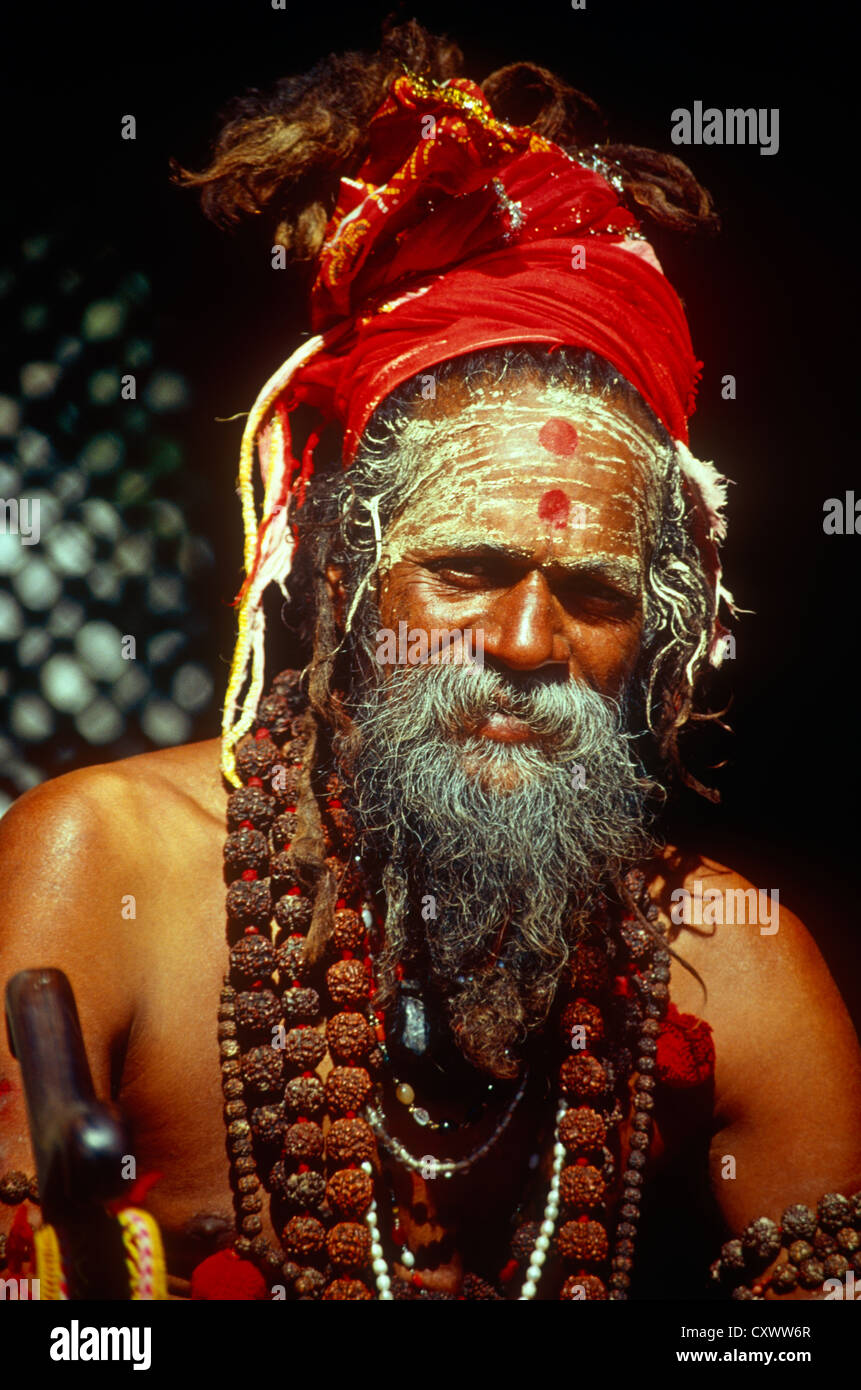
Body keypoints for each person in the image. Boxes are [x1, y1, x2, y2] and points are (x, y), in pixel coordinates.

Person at [1, 21, 860, 1301]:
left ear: (666, 636)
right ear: (342, 574)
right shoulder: (104, 865)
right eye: (463, 572)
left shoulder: (732, 965)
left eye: (590, 592)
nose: (524, 645)